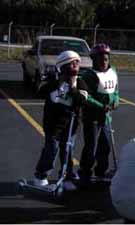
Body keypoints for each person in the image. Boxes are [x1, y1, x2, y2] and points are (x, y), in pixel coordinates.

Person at [34, 50, 88, 186]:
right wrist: (57, 82)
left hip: (71, 124)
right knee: (51, 149)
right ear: (63, 66)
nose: (76, 64)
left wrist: (71, 88)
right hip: (53, 123)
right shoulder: (54, 82)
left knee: (67, 150)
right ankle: (41, 174)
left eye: (77, 61)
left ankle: (67, 175)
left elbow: (82, 101)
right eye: (72, 62)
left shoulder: (80, 82)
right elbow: (40, 91)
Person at [77, 43, 119, 185]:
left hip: (106, 117)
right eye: (100, 59)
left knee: (105, 146)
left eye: (106, 59)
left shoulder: (112, 71)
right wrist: (101, 106)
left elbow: (115, 90)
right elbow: (86, 97)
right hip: (92, 117)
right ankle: (85, 173)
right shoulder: (88, 75)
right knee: (91, 146)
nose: (103, 62)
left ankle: (101, 172)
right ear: (94, 60)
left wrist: (116, 100)